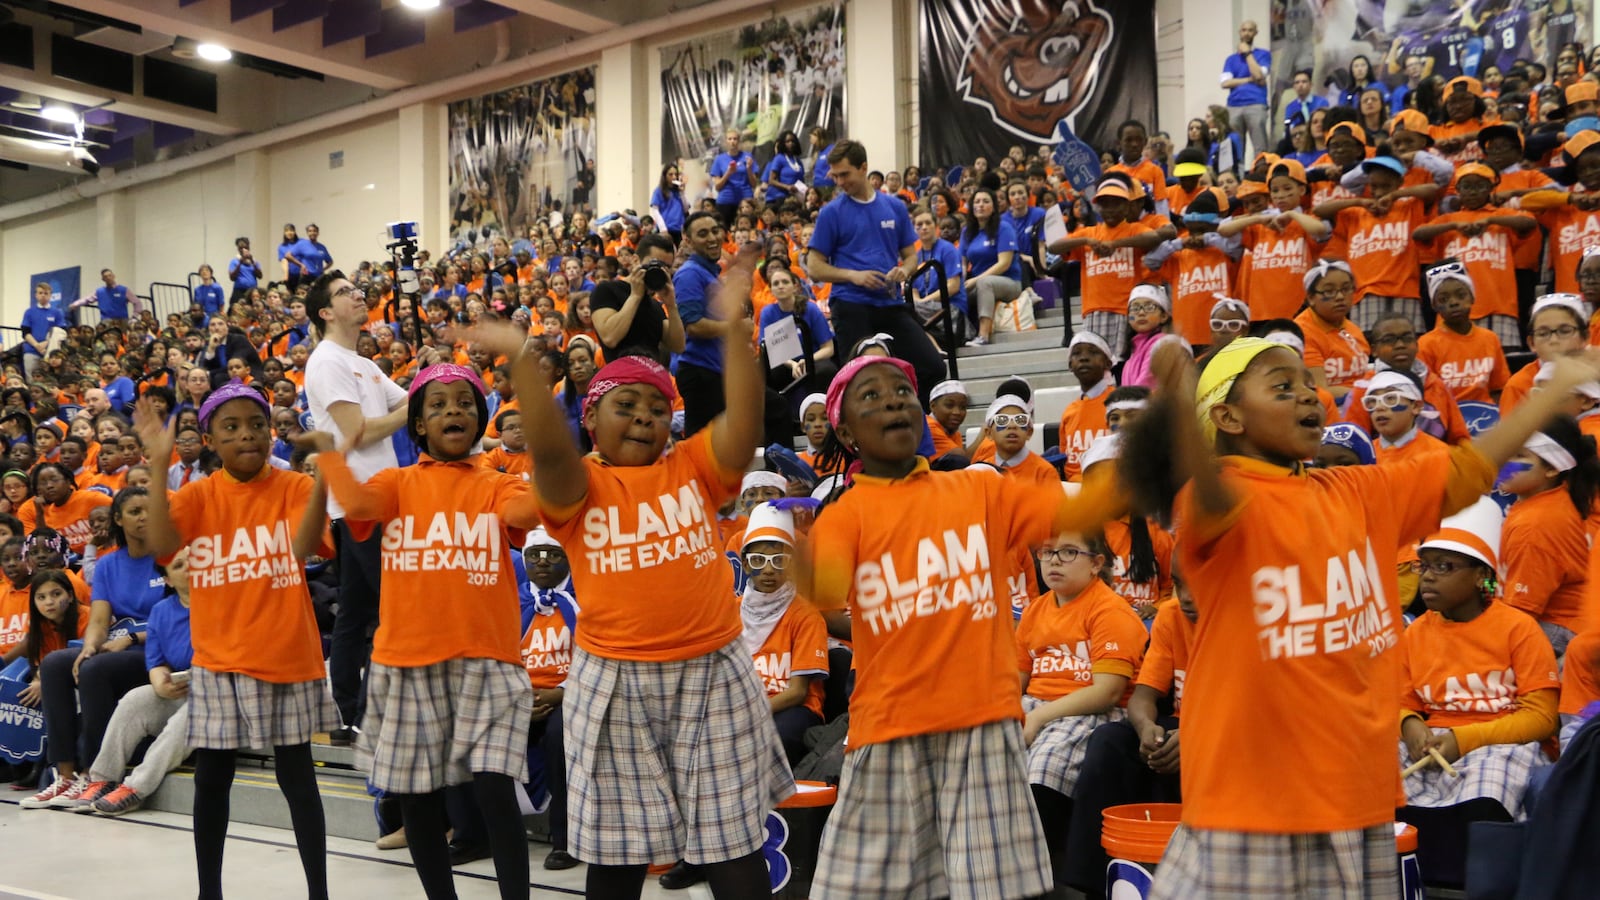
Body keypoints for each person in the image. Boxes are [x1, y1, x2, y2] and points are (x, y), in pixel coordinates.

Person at [1117, 336, 1600, 899]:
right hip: (1253, 793)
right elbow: (1198, 489)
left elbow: (1470, 468)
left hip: (1356, 789)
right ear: (1227, 416)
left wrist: (1558, 385)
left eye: (1306, 384)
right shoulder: (1220, 501)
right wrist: (1176, 402)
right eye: (1282, 387)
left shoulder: (1358, 490)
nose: (1310, 397)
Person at [502, 245, 787, 900]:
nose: (643, 417)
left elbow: (743, 424)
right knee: (617, 855)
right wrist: (523, 364)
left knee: (734, 843)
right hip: (614, 678)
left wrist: (737, 327)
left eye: (657, 409)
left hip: (714, 669)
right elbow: (547, 451)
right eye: (625, 405)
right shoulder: (579, 487)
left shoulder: (691, 465)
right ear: (591, 417)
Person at [803, 354, 1121, 900]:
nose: (893, 400)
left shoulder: (980, 490)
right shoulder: (844, 516)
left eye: (901, 390)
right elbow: (822, 596)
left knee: (998, 889)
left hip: (982, 717)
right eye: (871, 396)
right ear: (847, 434)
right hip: (889, 724)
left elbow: (1079, 507)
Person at [312, 362, 539, 900]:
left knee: (494, 791)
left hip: (489, 662)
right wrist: (330, 452)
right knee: (418, 797)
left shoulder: (497, 483)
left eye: (463, 402)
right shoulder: (395, 483)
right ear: (416, 425)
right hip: (407, 663)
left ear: (480, 417)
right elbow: (359, 505)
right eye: (435, 405)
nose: (451, 411)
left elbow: (529, 511)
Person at [134, 384, 336, 900]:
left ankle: (319, 892)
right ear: (208, 439)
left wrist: (323, 479)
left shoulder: (292, 486)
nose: (247, 433)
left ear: (271, 432)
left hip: (287, 653)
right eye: (231, 427)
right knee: (212, 779)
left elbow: (308, 546)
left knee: (298, 779)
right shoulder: (199, 496)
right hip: (219, 657)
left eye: (256, 423)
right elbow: (159, 544)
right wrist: (158, 467)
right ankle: (209, 892)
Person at [303, 270, 414, 743]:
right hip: (360, 502)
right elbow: (360, 432)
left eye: (356, 289)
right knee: (393, 606)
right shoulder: (327, 362)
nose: (358, 295)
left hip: (374, 498)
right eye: (346, 292)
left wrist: (426, 379)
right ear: (326, 312)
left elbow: (403, 402)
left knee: (354, 610)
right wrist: (427, 397)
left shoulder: (360, 362)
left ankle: (346, 712)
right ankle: (367, 713)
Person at [1400, 499, 1559, 821]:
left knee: (1488, 785)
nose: (1427, 577)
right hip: (1432, 741)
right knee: (1369, 770)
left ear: (1480, 576)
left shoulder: (1518, 628)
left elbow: (1543, 718)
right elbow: (1396, 701)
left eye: (1444, 566)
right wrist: (1410, 724)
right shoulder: (1415, 632)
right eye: (1424, 566)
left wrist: (1464, 739)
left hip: (1501, 741)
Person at [1017, 530, 1148, 892]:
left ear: (1096, 564)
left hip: (1087, 712)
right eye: (1047, 552)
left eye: (1069, 552)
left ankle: (1035, 882)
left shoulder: (1110, 610)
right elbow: (1017, 678)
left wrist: (1040, 717)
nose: (1054, 560)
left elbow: (1107, 692)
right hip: (1035, 706)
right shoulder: (1035, 610)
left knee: (1043, 764)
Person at [806, 140, 947, 406]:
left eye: (844, 174)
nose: (839, 181)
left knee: (933, 367)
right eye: (834, 175)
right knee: (859, 378)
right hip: (850, 304)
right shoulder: (831, 213)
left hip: (890, 303)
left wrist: (903, 271)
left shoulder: (894, 207)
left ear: (863, 168)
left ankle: (913, 421)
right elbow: (814, 266)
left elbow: (909, 256)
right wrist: (853, 276)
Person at [79, 546, 195, 816]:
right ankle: (102, 778)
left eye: (195, 561)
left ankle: (136, 788)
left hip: (225, 696)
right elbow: (155, 662)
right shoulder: (161, 611)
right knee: (135, 699)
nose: (190, 567)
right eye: (179, 565)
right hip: (185, 688)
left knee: (197, 708)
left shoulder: (225, 602)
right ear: (166, 579)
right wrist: (160, 685)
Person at [1498, 418, 1598, 660]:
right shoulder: (1542, 502)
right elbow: (1503, 581)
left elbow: (1521, 612)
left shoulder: (1536, 525)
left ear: (1552, 469)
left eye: (1520, 457)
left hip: (1556, 631)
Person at [739, 502, 827, 765]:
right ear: (744, 564)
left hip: (793, 708)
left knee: (771, 737)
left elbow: (798, 692)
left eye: (779, 561)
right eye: (758, 560)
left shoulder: (806, 615)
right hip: (741, 708)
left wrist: (748, 713)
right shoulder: (727, 613)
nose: (768, 570)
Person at [519, 526, 577, 871]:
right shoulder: (512, 601)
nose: (542, 563)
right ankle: (473, 833)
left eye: (553, 555)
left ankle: (564, 840)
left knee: (558, 736)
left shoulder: (581, 600)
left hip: (569, 694)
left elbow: (594, 654)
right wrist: (518, 698)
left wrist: (560, 693)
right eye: (534, 556)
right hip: (519, 695)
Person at [673, 212, 737, 438]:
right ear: (687, 241)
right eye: (702, 234)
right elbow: (694, 326)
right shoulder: (689, 274)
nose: (712, 238)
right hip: (701, 373)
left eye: (715, 230)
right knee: (701, 447)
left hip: (716, 370)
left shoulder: (709, 272)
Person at [590, 236, 684, 363]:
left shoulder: (655, 305)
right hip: (620, 377)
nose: (659, 271)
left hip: (651, 376)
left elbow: (678, 346)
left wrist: (671, 304)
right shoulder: (606, 290)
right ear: (635, 260)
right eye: (654, 264)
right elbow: (610, 337)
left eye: (665, 267)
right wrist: (635, 296)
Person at [960, 187, 1022, 348]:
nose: (980, 205)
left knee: (984, 283)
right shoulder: (967, 231)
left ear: (993, 207)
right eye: (977, 202)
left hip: (1009, 282)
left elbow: (1004, 264)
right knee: (955, 292)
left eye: (986, 201)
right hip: (978, 283)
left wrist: (974, 280)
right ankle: (958, 335)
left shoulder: (1004, 227)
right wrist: (959, 281)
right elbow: (963, 262)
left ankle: (983, 335)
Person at [1221, 20, 1271, 159]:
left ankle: (1260, 177)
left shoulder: (1263, 54)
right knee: (1235, 148)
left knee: (1260, 147)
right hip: (1234, 106)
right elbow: (1225, 83)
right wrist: (1249, 80)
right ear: (1239, 32)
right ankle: (1237, 178)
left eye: (1250, 30)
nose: (1246, 33)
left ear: (1255, 33)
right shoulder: (1230, 59)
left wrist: (1248, 54)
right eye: (1244, 30)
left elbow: (1259, 74)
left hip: (1256, 103)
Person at [710, 130, 759, 227]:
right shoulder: (719, 159)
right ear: (726, 141)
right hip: (726, 200)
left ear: (739, 141)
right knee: (725, 230)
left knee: (749, 229)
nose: (732, 141)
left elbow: (754, 184)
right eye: (730, 139)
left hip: (745, 200)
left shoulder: (747, 156)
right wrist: (728, 172)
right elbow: (717, 187)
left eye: (735, 139)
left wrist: (749, 169)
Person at [20, 282, 68, 380]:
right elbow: (25, 332)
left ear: (50, 295)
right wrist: (37, 345)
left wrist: (46, 343)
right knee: (31, 380)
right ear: (36, 295)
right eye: (40, 293)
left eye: (46, 293)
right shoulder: (29, 312)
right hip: (31, 351)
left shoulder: (57, 312)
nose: (43, 296)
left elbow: (61, 331)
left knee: (50, 379)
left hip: (50, 353)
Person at [650, 164, 686, 244]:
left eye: (675, 174)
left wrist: (682, 193)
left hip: (679, 229)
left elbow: (686, 208)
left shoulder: (678, 191)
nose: (674, 177)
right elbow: (655, 210)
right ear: (665, 176)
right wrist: (663, 229)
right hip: (666, 229)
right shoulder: (658, 191)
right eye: (670, 174)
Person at [227, 237, 262, 307]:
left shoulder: (254, 261)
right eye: (241, 248)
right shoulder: (234, 261)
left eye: (245, 247)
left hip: (252, 292)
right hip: (239, 292)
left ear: (249, 248)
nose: (243, 250)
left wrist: (252, 261)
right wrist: (240, 263)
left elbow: (260, 276)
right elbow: (232, 278)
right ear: (238, 249)